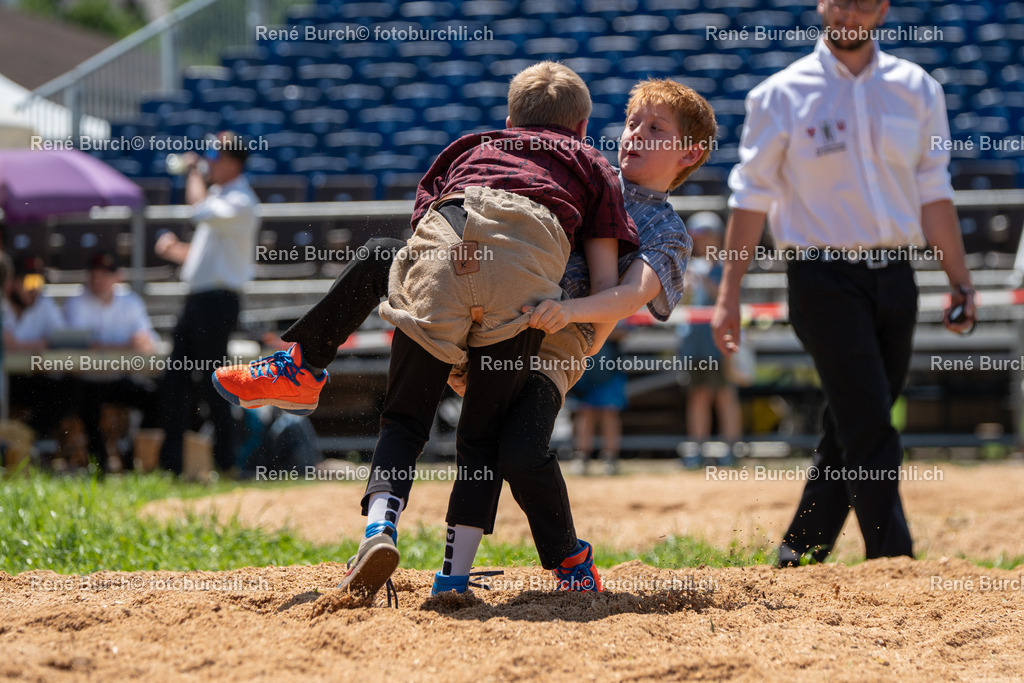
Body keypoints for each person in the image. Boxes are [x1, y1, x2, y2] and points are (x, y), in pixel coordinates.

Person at [215, 62, 638, 598]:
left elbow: (424, 235)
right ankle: (453, 578)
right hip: (524, 283)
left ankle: (370, 510)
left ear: (508, 120)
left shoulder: (468, 147)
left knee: (403, 418)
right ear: (581, 129)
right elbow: (605, 282)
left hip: (447, 249)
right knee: (480, 437)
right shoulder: (591, 163)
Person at [710, 0, 976, 567]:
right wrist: (728, 294)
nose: (850, 9)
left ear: (882, 8)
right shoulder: (779, 95)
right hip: (820, 278)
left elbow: (934, 187)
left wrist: (961, 281)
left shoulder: (918, 87)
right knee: (871, 421)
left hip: (898, 276)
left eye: (864, 0)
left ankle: (798, 551)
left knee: (854, 420)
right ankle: (894, 557)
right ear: (821, 5)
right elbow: (750, 198)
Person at [155, 131, 260, 474]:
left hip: (217, 303)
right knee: (175, 382)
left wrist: (193, 172)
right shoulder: (223, 198)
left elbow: (197, 211)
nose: (209, 163)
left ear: (232, 163)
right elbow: (208, 256)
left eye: (215, 158)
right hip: (199, 301)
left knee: (214, 382)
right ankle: (172, 465)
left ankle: (226, 462)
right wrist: (177, 253)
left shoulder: (240, 200)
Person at [63, 251, 159, 471]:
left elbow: (147, 342)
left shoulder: (130, 301)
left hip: (116, 378)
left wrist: (133, 343)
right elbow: (85, 344)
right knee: (86, 404)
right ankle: (100, 464)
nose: (97, 280)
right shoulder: (76, 302)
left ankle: (132, 458)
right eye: (94, 274)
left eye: (104, 275)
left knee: (154, 398)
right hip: (86, 380)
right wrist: (127, 345)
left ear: (117, 276)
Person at [677, 212, 741, 468]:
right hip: (693, 342)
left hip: (721, 342)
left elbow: (726, 300)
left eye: (705, 235)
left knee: (725, 395)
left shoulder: (727, 266)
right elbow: (679, 304)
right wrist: (686, 285)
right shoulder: (687, 267)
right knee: (698, 396)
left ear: (717, 236)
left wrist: (703, 278)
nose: (701, 241)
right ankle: (696, 452)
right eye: (697, 236)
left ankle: (731, 450)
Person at [3, 255, 73, 443]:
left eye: (39, 281)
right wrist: (39, 344)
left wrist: (34, 347)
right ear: (11, 283)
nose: (34, 288)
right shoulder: (2, 304)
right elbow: (7, 344)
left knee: (67, 390)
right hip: (4, 379)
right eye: (28, 281)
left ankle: (26, 442)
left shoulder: (44, 304)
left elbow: (62, 340)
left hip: (30, 376)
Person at [566, 323, 628, 476]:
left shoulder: (618, 301)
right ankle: (581, 457)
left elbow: (624, 332)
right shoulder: (579, 299)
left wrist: (600, 329)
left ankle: (610, 458)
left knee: (609, 412)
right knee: (586, 412)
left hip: (611, 365)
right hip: (586, 366)